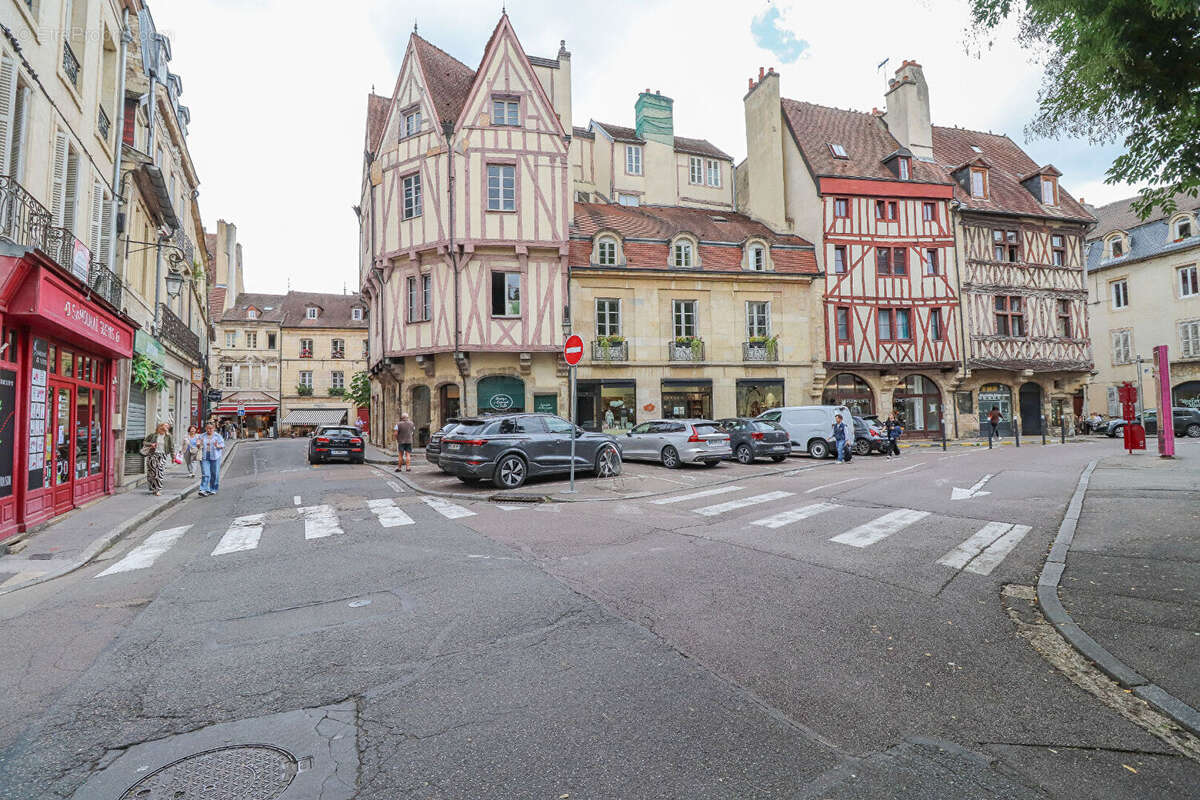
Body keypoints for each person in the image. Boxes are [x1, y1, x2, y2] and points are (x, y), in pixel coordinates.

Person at [141, 422, 174, 496]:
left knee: (159, 472)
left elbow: (171, 447)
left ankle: (158, 489)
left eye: (167, 427)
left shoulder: (168, 436)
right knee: (152, 473)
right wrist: (151, 444)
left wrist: (173, 457)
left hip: (162, 456)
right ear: (160, 427)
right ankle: (153, 488)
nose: (166, 427)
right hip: (152, 455)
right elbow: (144, 442)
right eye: (165, 426)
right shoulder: (153, 435)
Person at [198, 421, 225, 496]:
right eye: (207, 428)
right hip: (205, 456)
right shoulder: (202, 436)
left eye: (210, 428)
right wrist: (199, 444)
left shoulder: (217, 436)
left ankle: (213, 488)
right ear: (205, 428)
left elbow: (222, 445)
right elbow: (198, 445)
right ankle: (203, 489)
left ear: (214, 428)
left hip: (215, 456)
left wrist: (217, 446)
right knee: (205, 473)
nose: (209, 430)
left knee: (215, 473)